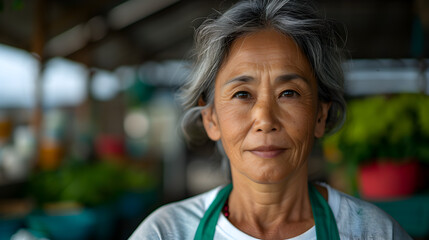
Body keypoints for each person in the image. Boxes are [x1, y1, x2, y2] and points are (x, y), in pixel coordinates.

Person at [130, 0, 412, 239]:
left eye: (288, 93)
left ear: (320, 115)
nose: (265, 119)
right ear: (211, 119)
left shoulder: (373, 232)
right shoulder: (167, 232)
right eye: (242, 94)